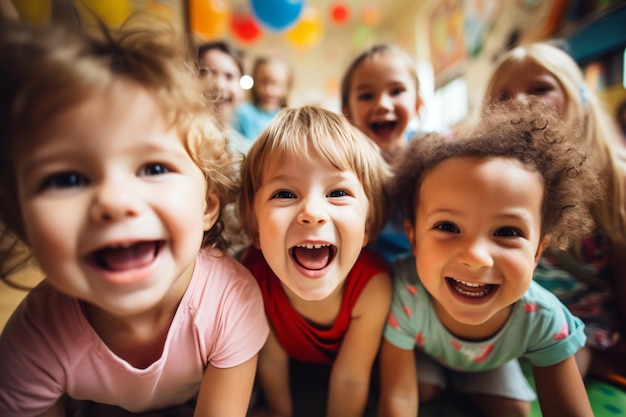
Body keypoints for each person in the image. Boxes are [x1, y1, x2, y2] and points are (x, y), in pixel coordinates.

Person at [0, 19, 269, 417]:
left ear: (208, 206)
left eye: (154, 168)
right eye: (67, 178)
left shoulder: (230, 300)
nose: (114, 201)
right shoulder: (36, 335)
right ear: (23, 220)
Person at [379, 102, 599, 417]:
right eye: (448, 227)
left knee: (515, 410)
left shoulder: (543, 317)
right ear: (413, 239)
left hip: (491, 362)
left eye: (507, 231)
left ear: (537, 252)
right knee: (422, 389)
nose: (476, 257)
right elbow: (398, 397)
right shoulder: (403, 291)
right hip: (426, 353)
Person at [482, 42, 626, 378]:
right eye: (503, 96)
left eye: (540, 88)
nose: (518, 102)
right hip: (507, 320)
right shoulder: (485, 182)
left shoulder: (616, 179)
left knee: (562, 369)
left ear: (581, 99)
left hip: (582, 325)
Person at [237, 106, 392, 417]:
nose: (312, 212)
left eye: (337, 192)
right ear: (254, 226)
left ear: (368, 225)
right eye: (284, 194)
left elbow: (350, 377)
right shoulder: (252, 276)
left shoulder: (372, 286)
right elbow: (271, 360)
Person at [340, 43, 423, 265]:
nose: (382, 105)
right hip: (373, 274)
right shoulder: (344, 166)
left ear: (417, 104)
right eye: (367, 95)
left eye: (396, 91)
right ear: (346, 112)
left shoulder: (434, 159)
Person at [197, 40, 251, 154]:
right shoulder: (179, 141)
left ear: (241, 89)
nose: (219, 85)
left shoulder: (247, 152)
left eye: (229, 76)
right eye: (207, 73)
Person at [235, 55, 292, 142]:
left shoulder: (289, 118)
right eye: (263, 82)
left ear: (287, 87)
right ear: (255, 81)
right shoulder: (243, 112)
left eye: (276, 83)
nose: (269, 91)